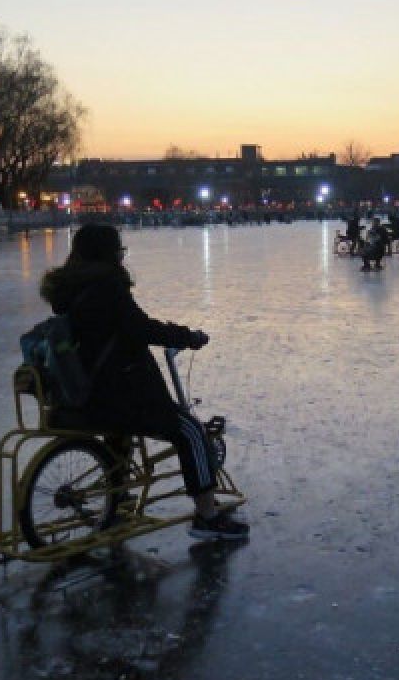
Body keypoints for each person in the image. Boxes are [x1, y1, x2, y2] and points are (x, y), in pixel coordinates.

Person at [39, 224, 249, 540]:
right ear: (110, 253)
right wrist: (186, 336)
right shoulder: (107, 288)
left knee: (121, 433)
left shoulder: (70, 291)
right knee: (190, 432)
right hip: (123, 393)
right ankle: (207, 516)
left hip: (90, 393)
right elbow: (139, 328)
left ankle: (118, 495)